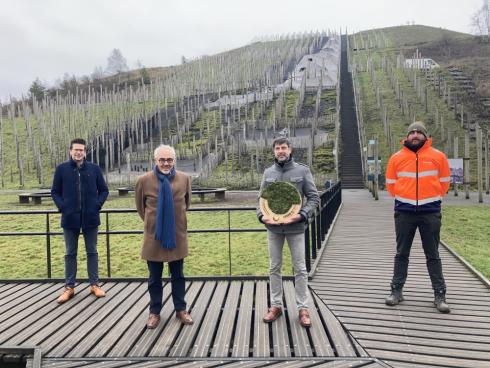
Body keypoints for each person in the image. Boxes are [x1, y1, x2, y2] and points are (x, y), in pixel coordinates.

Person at [385, 121, 451, 313]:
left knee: (433, 255)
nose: (415, 135)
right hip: (404, 212)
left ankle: (440, 295)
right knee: (401, 253)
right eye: (412, 132)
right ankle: (396, 291)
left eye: (418, 132)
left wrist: (434, 197)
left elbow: (445, 181)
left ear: (425, 136)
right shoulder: (396, 158)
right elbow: (391, 183)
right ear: (407, 136)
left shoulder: (438, 156)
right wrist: (403, 197)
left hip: (430, 212)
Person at [257, 137, 320, 327]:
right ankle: (276, 306)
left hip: (295, 228)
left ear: (290, 149)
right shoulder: (268, 173)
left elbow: (314, 198)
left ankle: (303, 308)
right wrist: (262, 217)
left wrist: (301, 215)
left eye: (283, 147)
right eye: (277, 148)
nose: (280, 151)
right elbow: (260, 201)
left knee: (300, 268)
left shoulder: (302, 170)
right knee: (274, 267)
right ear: (273, 151)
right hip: (274, 229)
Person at [135, 144, 193, 329]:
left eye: (169, 160)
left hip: (176, 235)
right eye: (162, 160)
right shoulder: (144, 181)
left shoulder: (184, 179)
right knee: (154, 277)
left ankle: (181, 309)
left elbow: (187, 203)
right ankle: (154, 312)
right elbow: (140, 208)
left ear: (174, 160)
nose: (166, 163)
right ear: (155, 161)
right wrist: (156, 224)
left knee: (178, 275)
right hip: (155, 237)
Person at [51, 138, 109, 303]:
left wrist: (96, 205)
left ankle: (95, 285)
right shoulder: (61, 169)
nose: (78, 152)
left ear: (85, 152)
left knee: (92, 251)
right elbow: (55, 191)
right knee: (70, 253)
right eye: (76, 149)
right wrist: (63, 207)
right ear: (70, 151)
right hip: (70, 219)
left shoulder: (94, 169)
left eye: (81, 150)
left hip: (90, 217)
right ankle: (69, 287)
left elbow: (104, 190)